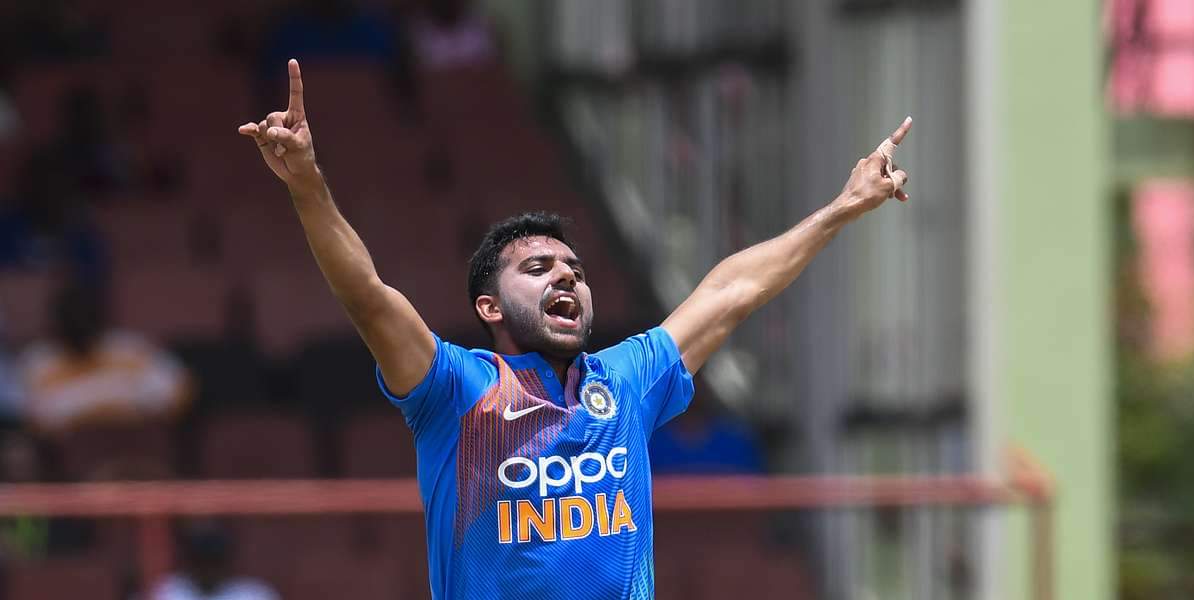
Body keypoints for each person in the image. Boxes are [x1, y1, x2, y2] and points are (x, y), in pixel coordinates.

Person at [237, 59, 911, 600]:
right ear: (489, 307)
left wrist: (843, 207)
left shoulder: (625, 380)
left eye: (575, 270)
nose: (565, 277)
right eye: (537, 268)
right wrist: (307, 185)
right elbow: (367, 297)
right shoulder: (456, 391)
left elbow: (732, 290)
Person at [17, 283, 191, 436]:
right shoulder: (39, 362)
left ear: (101, 322)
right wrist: (116, 399)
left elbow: (176, 394)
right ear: (56, 326)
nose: (79, 326)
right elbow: (39, 418)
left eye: (85, 321)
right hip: (74, 455)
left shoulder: (131, 349)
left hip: (138, 446)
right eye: (72, 323)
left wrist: (93, 408)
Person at [148, 521, 279, 600]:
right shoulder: (168, 591)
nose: (208, 570)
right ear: (189, 563)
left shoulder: (253, 594)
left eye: (214, 563)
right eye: (201, 562)